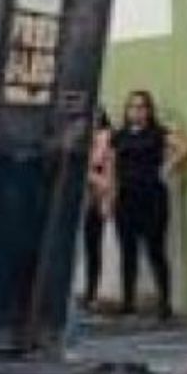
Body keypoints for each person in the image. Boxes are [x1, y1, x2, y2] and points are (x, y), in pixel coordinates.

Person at [112, 90, 187, 321]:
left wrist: (168, 167)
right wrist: (109, 196)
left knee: (156, 250)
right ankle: (128, 303)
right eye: (132, 107)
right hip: (126, 198)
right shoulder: (119, 136)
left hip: (152, 198)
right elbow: (111, 165)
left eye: (141, 107)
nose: (136, 111)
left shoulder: (157, 133)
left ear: (149, 111)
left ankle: (165, 303)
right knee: (127, 251)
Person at [80, 110, 114, 311]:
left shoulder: (106, 139)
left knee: (93, 248)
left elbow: (107, 179)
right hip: (75, 200)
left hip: (94, 201)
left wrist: (106, 201)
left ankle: (91, 293)